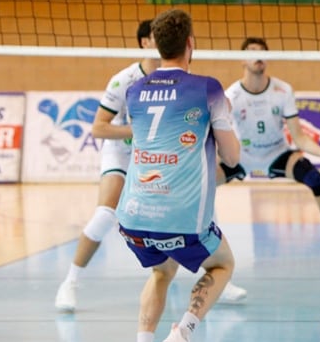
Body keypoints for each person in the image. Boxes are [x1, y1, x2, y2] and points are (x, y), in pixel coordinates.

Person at [55, 21, 247, 313]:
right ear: (145, 43)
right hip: (123, 153)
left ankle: (214, 270)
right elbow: (98, 128)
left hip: (161, 156)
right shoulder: (125, 81)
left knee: (203, 200)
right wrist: (139, 131)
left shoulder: (185, 80)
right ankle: (70, 282)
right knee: (106, 212)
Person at [116, 9, 241, 342]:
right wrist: (223, 119)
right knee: (223, 263)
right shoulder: (208, 89)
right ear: (190, 43)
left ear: (156, 45)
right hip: (181, 217)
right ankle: (183, 333)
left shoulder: (134, 90)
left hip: (131, 217)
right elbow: (232, 158)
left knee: (161, 271)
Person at [223, 38, 320, 266]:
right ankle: (187, 241)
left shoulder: (282, 90)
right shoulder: (232, 95)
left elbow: (299, 137)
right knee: (202, 184)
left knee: (314, 178)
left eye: (263, 51)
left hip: (277, 153)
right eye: (253, 51)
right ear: (241, 60)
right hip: (243, 155)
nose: (259, 56)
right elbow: (221, 134)